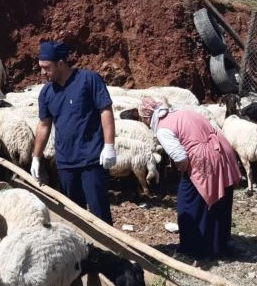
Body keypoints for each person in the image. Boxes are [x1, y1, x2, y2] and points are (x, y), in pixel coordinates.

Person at [138, 98, 241, 260]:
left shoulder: (163, 129)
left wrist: (184, 172)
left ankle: (193, 248)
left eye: (143, 118)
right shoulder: (181, 113)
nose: (143, 121)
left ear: (147, 116)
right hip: (222, 149)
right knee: (221, 198)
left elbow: (180, 158)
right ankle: (220, 244)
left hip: (204, 157)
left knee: (188, 202)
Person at [31, 41, 117, 224]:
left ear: (60, 63)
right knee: (74, 213)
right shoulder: (47, 92)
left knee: (99, 212)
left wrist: (109, 145)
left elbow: (105, 111)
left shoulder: (88, 80)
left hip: (91, 159)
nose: (42, 73)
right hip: (65, 163)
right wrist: (36, 157)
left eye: (46, 68)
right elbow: (44, 125)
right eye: (41, 68)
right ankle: (84, 250)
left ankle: (108, 251)